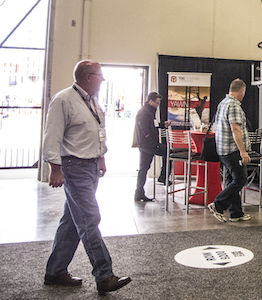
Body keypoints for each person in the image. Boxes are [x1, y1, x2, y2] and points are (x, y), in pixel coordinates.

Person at [43, 60, 132, 294]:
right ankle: (104, 275)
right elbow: (52, 135)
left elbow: (97, 131)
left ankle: (55, 271)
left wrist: (101, 157)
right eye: (100, 76)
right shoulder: (63, 100)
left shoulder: (91, 100)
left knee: (73, 220)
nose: (102, 80)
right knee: (90, 219)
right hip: (74, 167)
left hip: (91, 166)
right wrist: (55, 168)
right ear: (88, 76)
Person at [207, 79, 251, 222]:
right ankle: (218, 205)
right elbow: (235, 129)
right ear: (241, 91)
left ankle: (236, 213)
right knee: (240, 179)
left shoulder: (223, 103)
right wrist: (243, 151)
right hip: (233, 150)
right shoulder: (234, 105)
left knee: (232, 180)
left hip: (223, 149)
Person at [133, 92, 171, 202]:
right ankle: (163, 177)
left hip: (147, 144)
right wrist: (150, 140)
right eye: (157, 103)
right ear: (150, 101)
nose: (158, 105)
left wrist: (162, 125)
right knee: (168, 153)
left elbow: (152, 125)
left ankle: (139, 192)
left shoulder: (147, 111)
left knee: (144, 168)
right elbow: (145, 128)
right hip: (148, 145)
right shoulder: (145, 112)